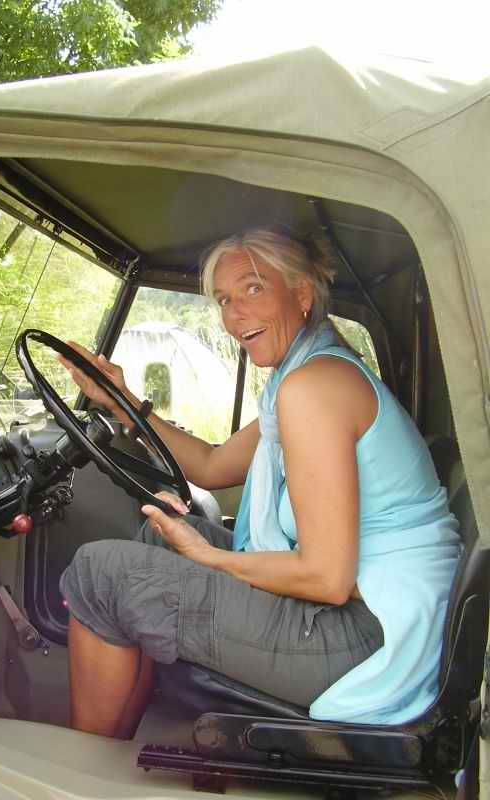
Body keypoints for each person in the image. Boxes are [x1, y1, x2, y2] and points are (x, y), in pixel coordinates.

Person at [59, 227, 461, 739]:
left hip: (372, 638)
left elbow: (326, 579)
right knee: (156, 540)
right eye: (225, 300)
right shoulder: (304, 375)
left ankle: (79, 768)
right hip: (380, 611)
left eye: (253, 288)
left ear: (302, 293)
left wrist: (210, 557)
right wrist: (122, 401)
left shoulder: (314, 388)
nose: (234, 315)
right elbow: (212, 465)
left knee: (98, 573)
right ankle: (121, 740)